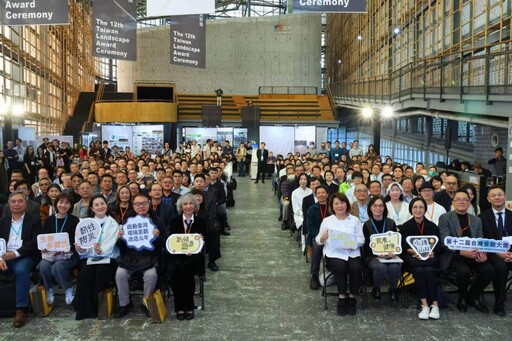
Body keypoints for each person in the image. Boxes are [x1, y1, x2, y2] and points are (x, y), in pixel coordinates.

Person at [438, 190, 494, 314]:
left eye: (465, 199)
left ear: (469, 202)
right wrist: (460, 251)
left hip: (473, 254)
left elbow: (480, 238)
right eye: (458, 199)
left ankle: (472, 296)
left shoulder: (476, 220)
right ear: (453, 202)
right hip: (454, 255)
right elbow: (444, 241)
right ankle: (462, 298)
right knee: (464, 271)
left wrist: (483, 253)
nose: (461, 201)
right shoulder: (445, 218)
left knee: (489, 270)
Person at [115, 193, 165, 318]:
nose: (141, 206)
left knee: (151, 275)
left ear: (149, 204)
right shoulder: (128, 220)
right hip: (130, 258)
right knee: (120, 274)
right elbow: (121, 246)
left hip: (149, 258)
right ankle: (124, 304)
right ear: (133, 206)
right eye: (137, 204)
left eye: (144, 203)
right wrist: (120, 239)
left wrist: (158, 237)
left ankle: (146, 302)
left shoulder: (157, 220)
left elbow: (164, 244)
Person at [316, 193, 365, 316]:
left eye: (342, 203)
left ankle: (352, 297)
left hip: (352, 252)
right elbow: (318, 240)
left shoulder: (355, 220)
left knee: (355, 267)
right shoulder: (327, 221)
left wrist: (352, 243)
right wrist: (323, 237)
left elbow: (362, 239)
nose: (339, 206)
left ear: (347, 204)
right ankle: (342, 297)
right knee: (340, 267)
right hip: (334, 254)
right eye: (336, 204)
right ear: (332, 206)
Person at [73, 195, 120, 320]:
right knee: (85, 272)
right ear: (92, 209)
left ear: (107, 205)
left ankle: (97, 307)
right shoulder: (86, 223)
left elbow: (111, 243)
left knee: (101, 271)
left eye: (102, 203)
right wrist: (81, 249)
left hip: (108, 257)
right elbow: (83, 243)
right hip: (89, 257)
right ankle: (85, 309)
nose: (100, 207)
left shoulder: (113, 223)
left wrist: (101, 250)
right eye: (96, 205)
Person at [0, 192, 41, 328]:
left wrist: (15, 253)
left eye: (19, 201)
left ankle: (20, 309)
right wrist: (0, 257)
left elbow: (34, 242)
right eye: (13, 202)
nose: (16, 204)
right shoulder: (3, 220)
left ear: (26, 203)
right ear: (9, 204)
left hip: (24, 256)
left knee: (21, 270)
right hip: (4, 256)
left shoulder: (34, 219)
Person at [400, 197, 443, 320]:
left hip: (429, 259)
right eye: (415, 207)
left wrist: (432, 252)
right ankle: (424, 305)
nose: (418, 210)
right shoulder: (405, 227)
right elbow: (403, 246)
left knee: (428, 271)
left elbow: (438, 245)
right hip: (413, 259)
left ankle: (435, 305)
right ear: (411, 209)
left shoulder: (432, 226)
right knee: (419, 271)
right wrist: (415, 251)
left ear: (425, 209)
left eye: (421, 207)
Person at [168, 193, 206, 320]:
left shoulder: (201, 222)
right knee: (176, 269)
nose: (188, 206)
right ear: (180, 206)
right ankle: (179, 307)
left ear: (195, 206)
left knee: (188, 269)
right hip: (177, 255)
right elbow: (172, 241)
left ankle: (189, 306)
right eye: (185, 204)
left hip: (194, 256)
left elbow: (204, 242)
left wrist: (200, 241)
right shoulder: (174, 221)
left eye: (191, 204)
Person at [38, 193, 80, 306]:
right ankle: (49, 289)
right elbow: (44, 238)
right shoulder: (49, 220)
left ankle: (68, 289)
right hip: (51, 254)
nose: (63, 205)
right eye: (61, 202)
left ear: (71, 205)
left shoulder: (74, 220)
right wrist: (43, 248)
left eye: (67, 203)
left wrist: (65, 248)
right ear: (56, 204)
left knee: (58, 266)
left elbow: (77, 240)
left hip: (69, 254)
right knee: (43, 265)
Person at [478, 185, 511, 316]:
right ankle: (499, 302)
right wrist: (499, 253)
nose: (497, 197)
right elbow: (482, 240)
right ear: (488, 199)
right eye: (493, 195)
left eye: (499, 194)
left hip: (511, 253)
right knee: (501, 267)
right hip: (492, 253)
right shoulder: (482, 217)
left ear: (505, 197)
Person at [362, 196, 400, 302]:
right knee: (381, 267)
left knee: (395, 267)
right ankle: (376, 288)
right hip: (373, 256)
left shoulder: (391, 223)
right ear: (370, 208)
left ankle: (393, 289)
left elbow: (395, 241)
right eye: (375, 205)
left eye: (380, 205)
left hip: (390, 254)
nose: (378, 208)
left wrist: (393, 252)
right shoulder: (367, 225)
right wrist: (377, 254)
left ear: (384, 208)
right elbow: (366, 246)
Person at [307, 185, 330, 290]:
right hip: (318, 237)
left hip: (333, 237)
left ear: (327, 194)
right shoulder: (312, 209)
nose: (321, 195)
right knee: (317, 247)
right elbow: (310, 227)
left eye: (323, 192)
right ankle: (314, 276)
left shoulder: (333, 207)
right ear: (316, 195)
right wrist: (320, 236)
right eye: (319, 193)